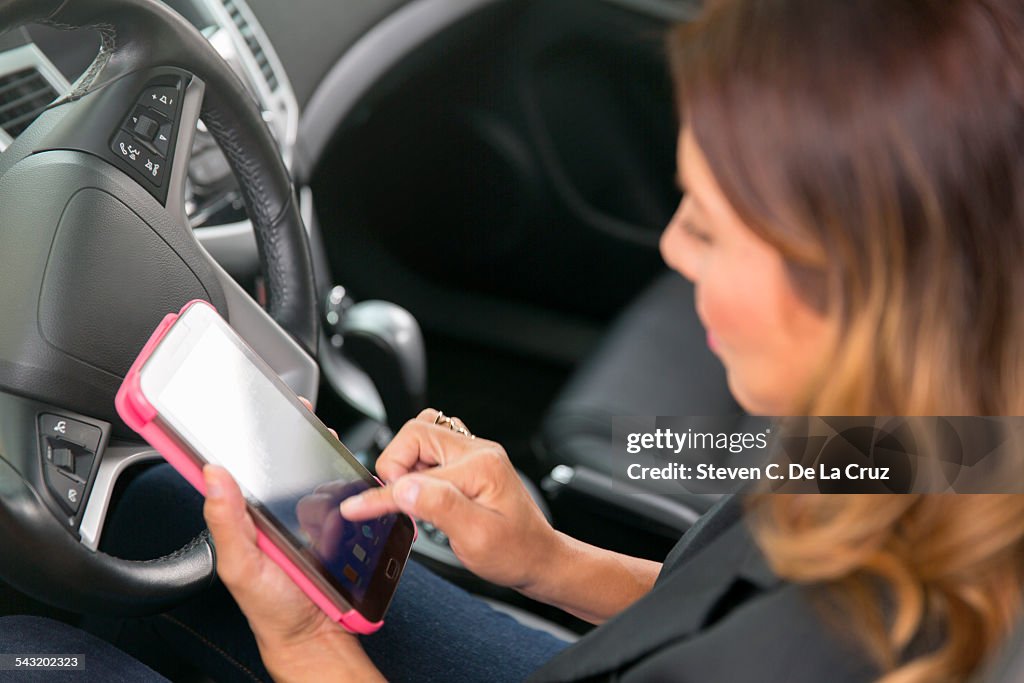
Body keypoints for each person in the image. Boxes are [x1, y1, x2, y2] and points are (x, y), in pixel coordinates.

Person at [3, 0, 1023, 680]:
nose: (671, 243)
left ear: (858, 280)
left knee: (33, 649)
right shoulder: (958, 441)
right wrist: (547, 559)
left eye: (709, 225)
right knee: (149, 503)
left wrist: (306, 635)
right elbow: (735, 580)